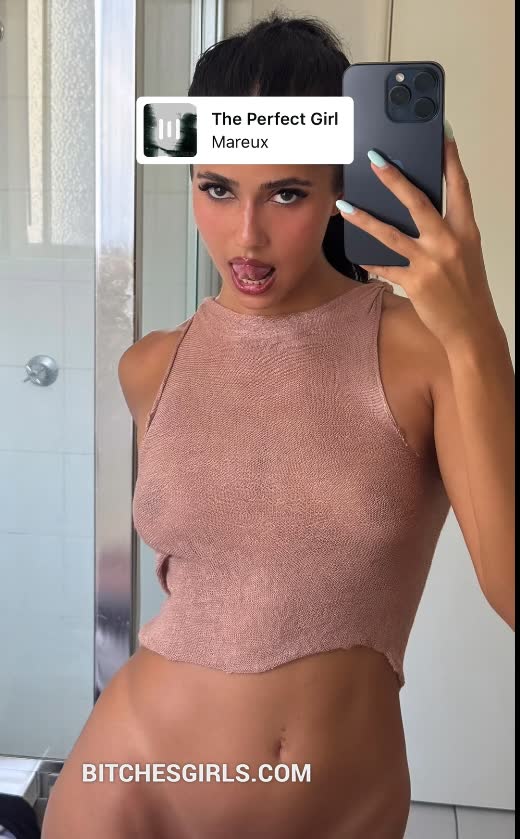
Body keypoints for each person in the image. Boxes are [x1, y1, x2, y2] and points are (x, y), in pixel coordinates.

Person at [42, 11, 512, 839]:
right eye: (217, 188)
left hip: (337, 810)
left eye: (287, 193)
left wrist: (475, 329)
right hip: (129, 792)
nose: (246, 236)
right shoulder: (151, 367)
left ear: (338, 185)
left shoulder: (427, 351)